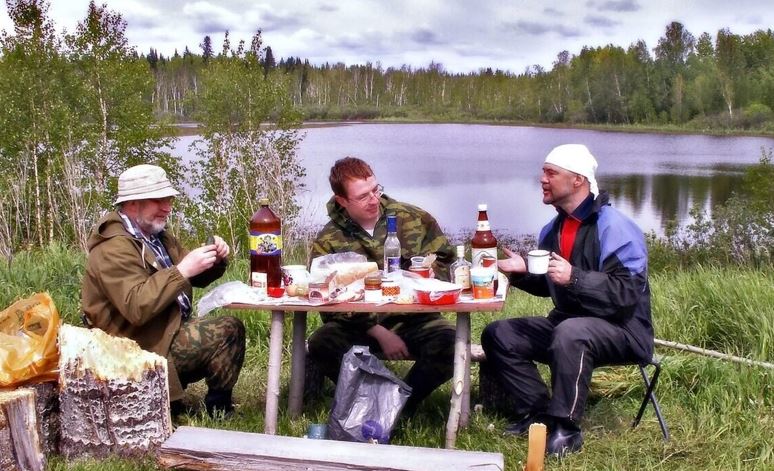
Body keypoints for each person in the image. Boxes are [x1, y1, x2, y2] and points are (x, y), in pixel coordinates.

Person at [481, 144, 654, 456]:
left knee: (571, 332)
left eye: (551, 173)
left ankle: (566, 426)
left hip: (625, 330)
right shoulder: (554, 228)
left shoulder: (615, 227)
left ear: (578, 180)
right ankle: (538, 414)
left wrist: (575, 277)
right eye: (543, 172)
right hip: (567, 326)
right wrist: (520, 272)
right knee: (499, 334)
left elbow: (628, 293)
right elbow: (551, 284)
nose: (542, 179)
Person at [81, 164, 246, 417]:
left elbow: (192, 275)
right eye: (159, 200)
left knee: (230, 328)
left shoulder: (155, 236)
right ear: (133, 203)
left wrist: (214, 259)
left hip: (163, 331)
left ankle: (218, 409)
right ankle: (168, 404)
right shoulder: (112, 248)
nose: (167, 207)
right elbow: (136, 307)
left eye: (168, 199)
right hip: (131, 346)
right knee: (227, 330)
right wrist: (182, 271)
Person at [307, 156, 457, 416]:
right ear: (342, 201)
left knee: (453, 343)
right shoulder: (328, 239)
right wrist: (377, 331)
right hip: (359, 325)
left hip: (415, 319)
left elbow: (448, 261)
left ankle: (398, 407)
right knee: (322, 342)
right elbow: (325, 299)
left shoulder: (413, 218)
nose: (374, 199)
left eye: (376, 189)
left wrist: (434, 272)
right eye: (363, 196)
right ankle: (369, 400)